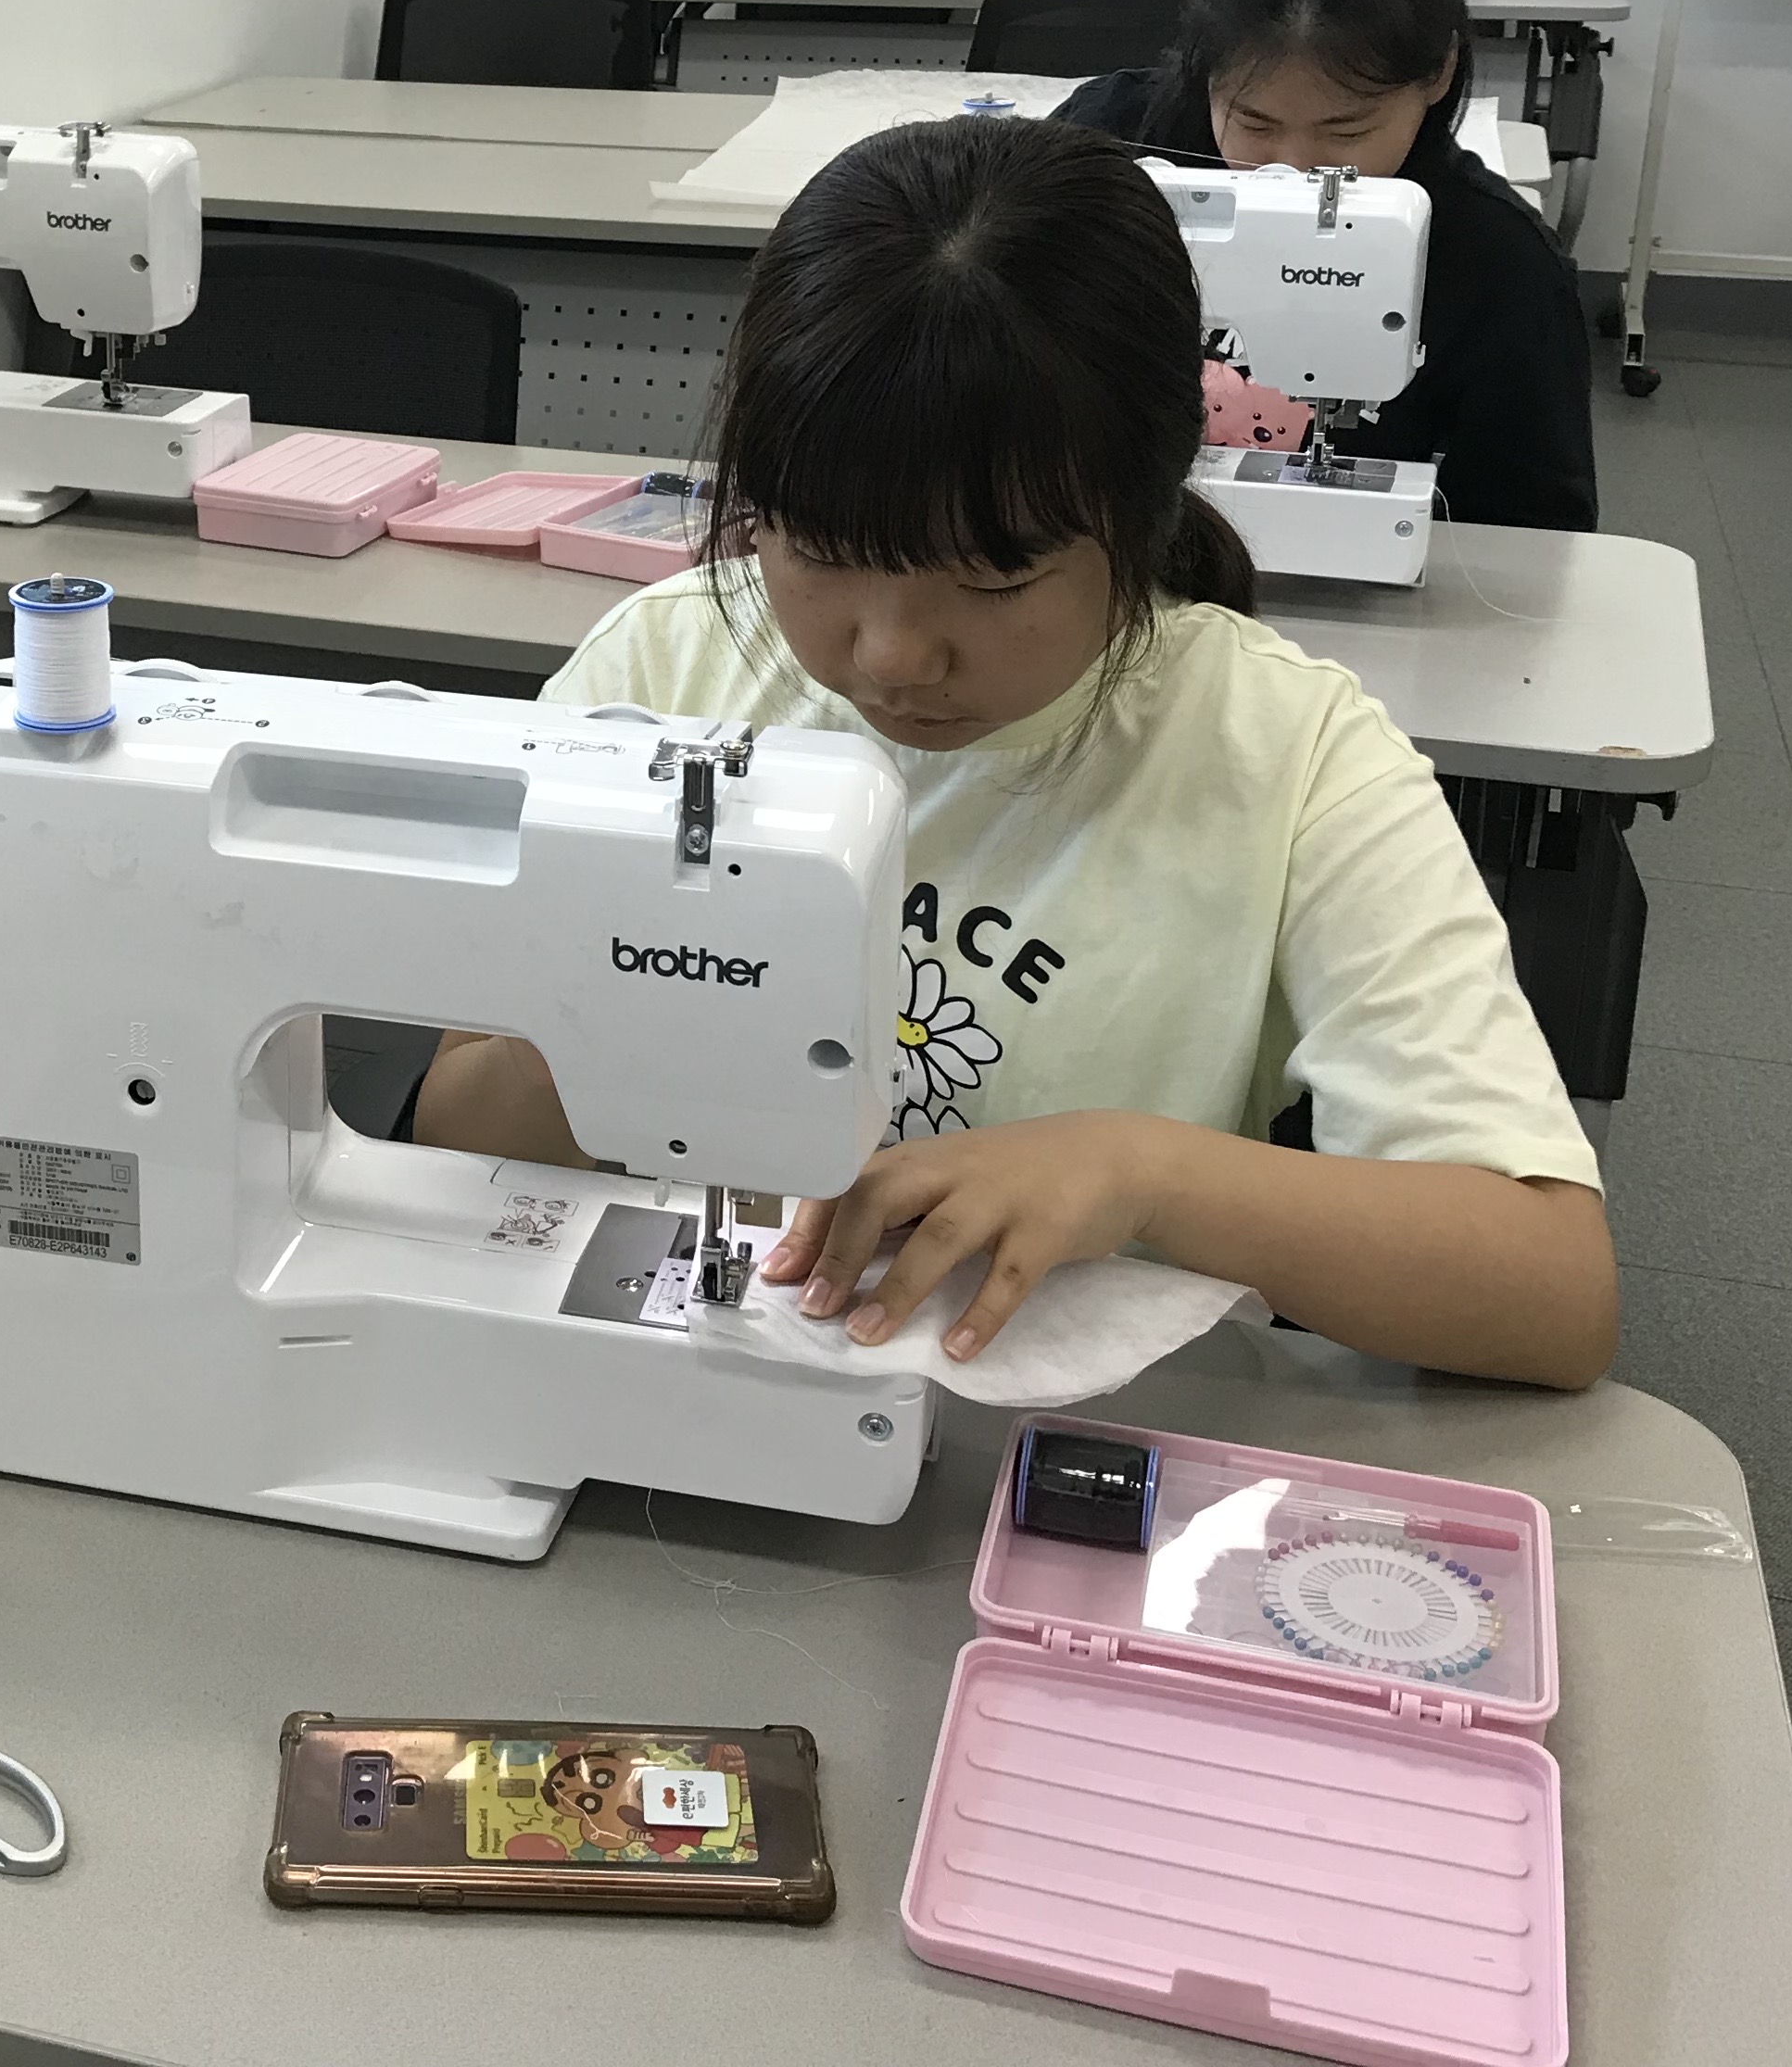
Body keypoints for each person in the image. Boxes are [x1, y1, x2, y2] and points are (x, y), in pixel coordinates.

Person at [409, 117, 1615, 1389]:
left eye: (991, 582)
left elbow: (1555, 1294)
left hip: (1058, 1427)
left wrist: (1145, 1173)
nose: (892, 655)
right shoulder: (663, 676)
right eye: (817, 551)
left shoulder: (1287, 755)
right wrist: (613, 1012)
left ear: (1141, 514)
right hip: (683, 1392)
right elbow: (455, 1124)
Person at [1059, 0, 1597, 533]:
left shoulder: (1504, 268)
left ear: (1438, 73)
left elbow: (1533, 529)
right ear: (1204, 69)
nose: (1294, 168)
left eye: (1346, 131)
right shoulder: (1101, 149)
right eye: (1254, 122)